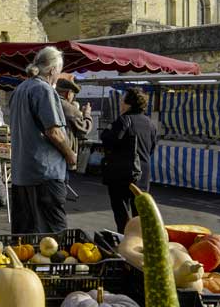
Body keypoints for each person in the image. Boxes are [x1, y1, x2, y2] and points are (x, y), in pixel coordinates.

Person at [7, 46, 77, 234]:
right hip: (45, 173)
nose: (59, 76)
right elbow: (54, 131)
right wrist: (70, 155)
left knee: (25, 233)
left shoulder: (20, 89)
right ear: (53, 69)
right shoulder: (43, 89)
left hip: (22, 172)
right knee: (52, 234)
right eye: (59, 71)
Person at [100, 87, 160, 231]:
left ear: (129, 103)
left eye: (122, 101)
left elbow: (108, 139)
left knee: (121, 211)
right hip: (143, 175)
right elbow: (151, 149)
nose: (121, 104)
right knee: (140, 213)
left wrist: (107, 132)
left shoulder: (124, 120)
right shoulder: (151, 124)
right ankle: (140, 241)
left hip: (122, 174)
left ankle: (126, 239)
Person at [56, 78, 93, 164]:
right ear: (68, 94)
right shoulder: (68, 107)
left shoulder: (51, 102)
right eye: (73, 95)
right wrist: (87, 114)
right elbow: (84, 130)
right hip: (65, 156)